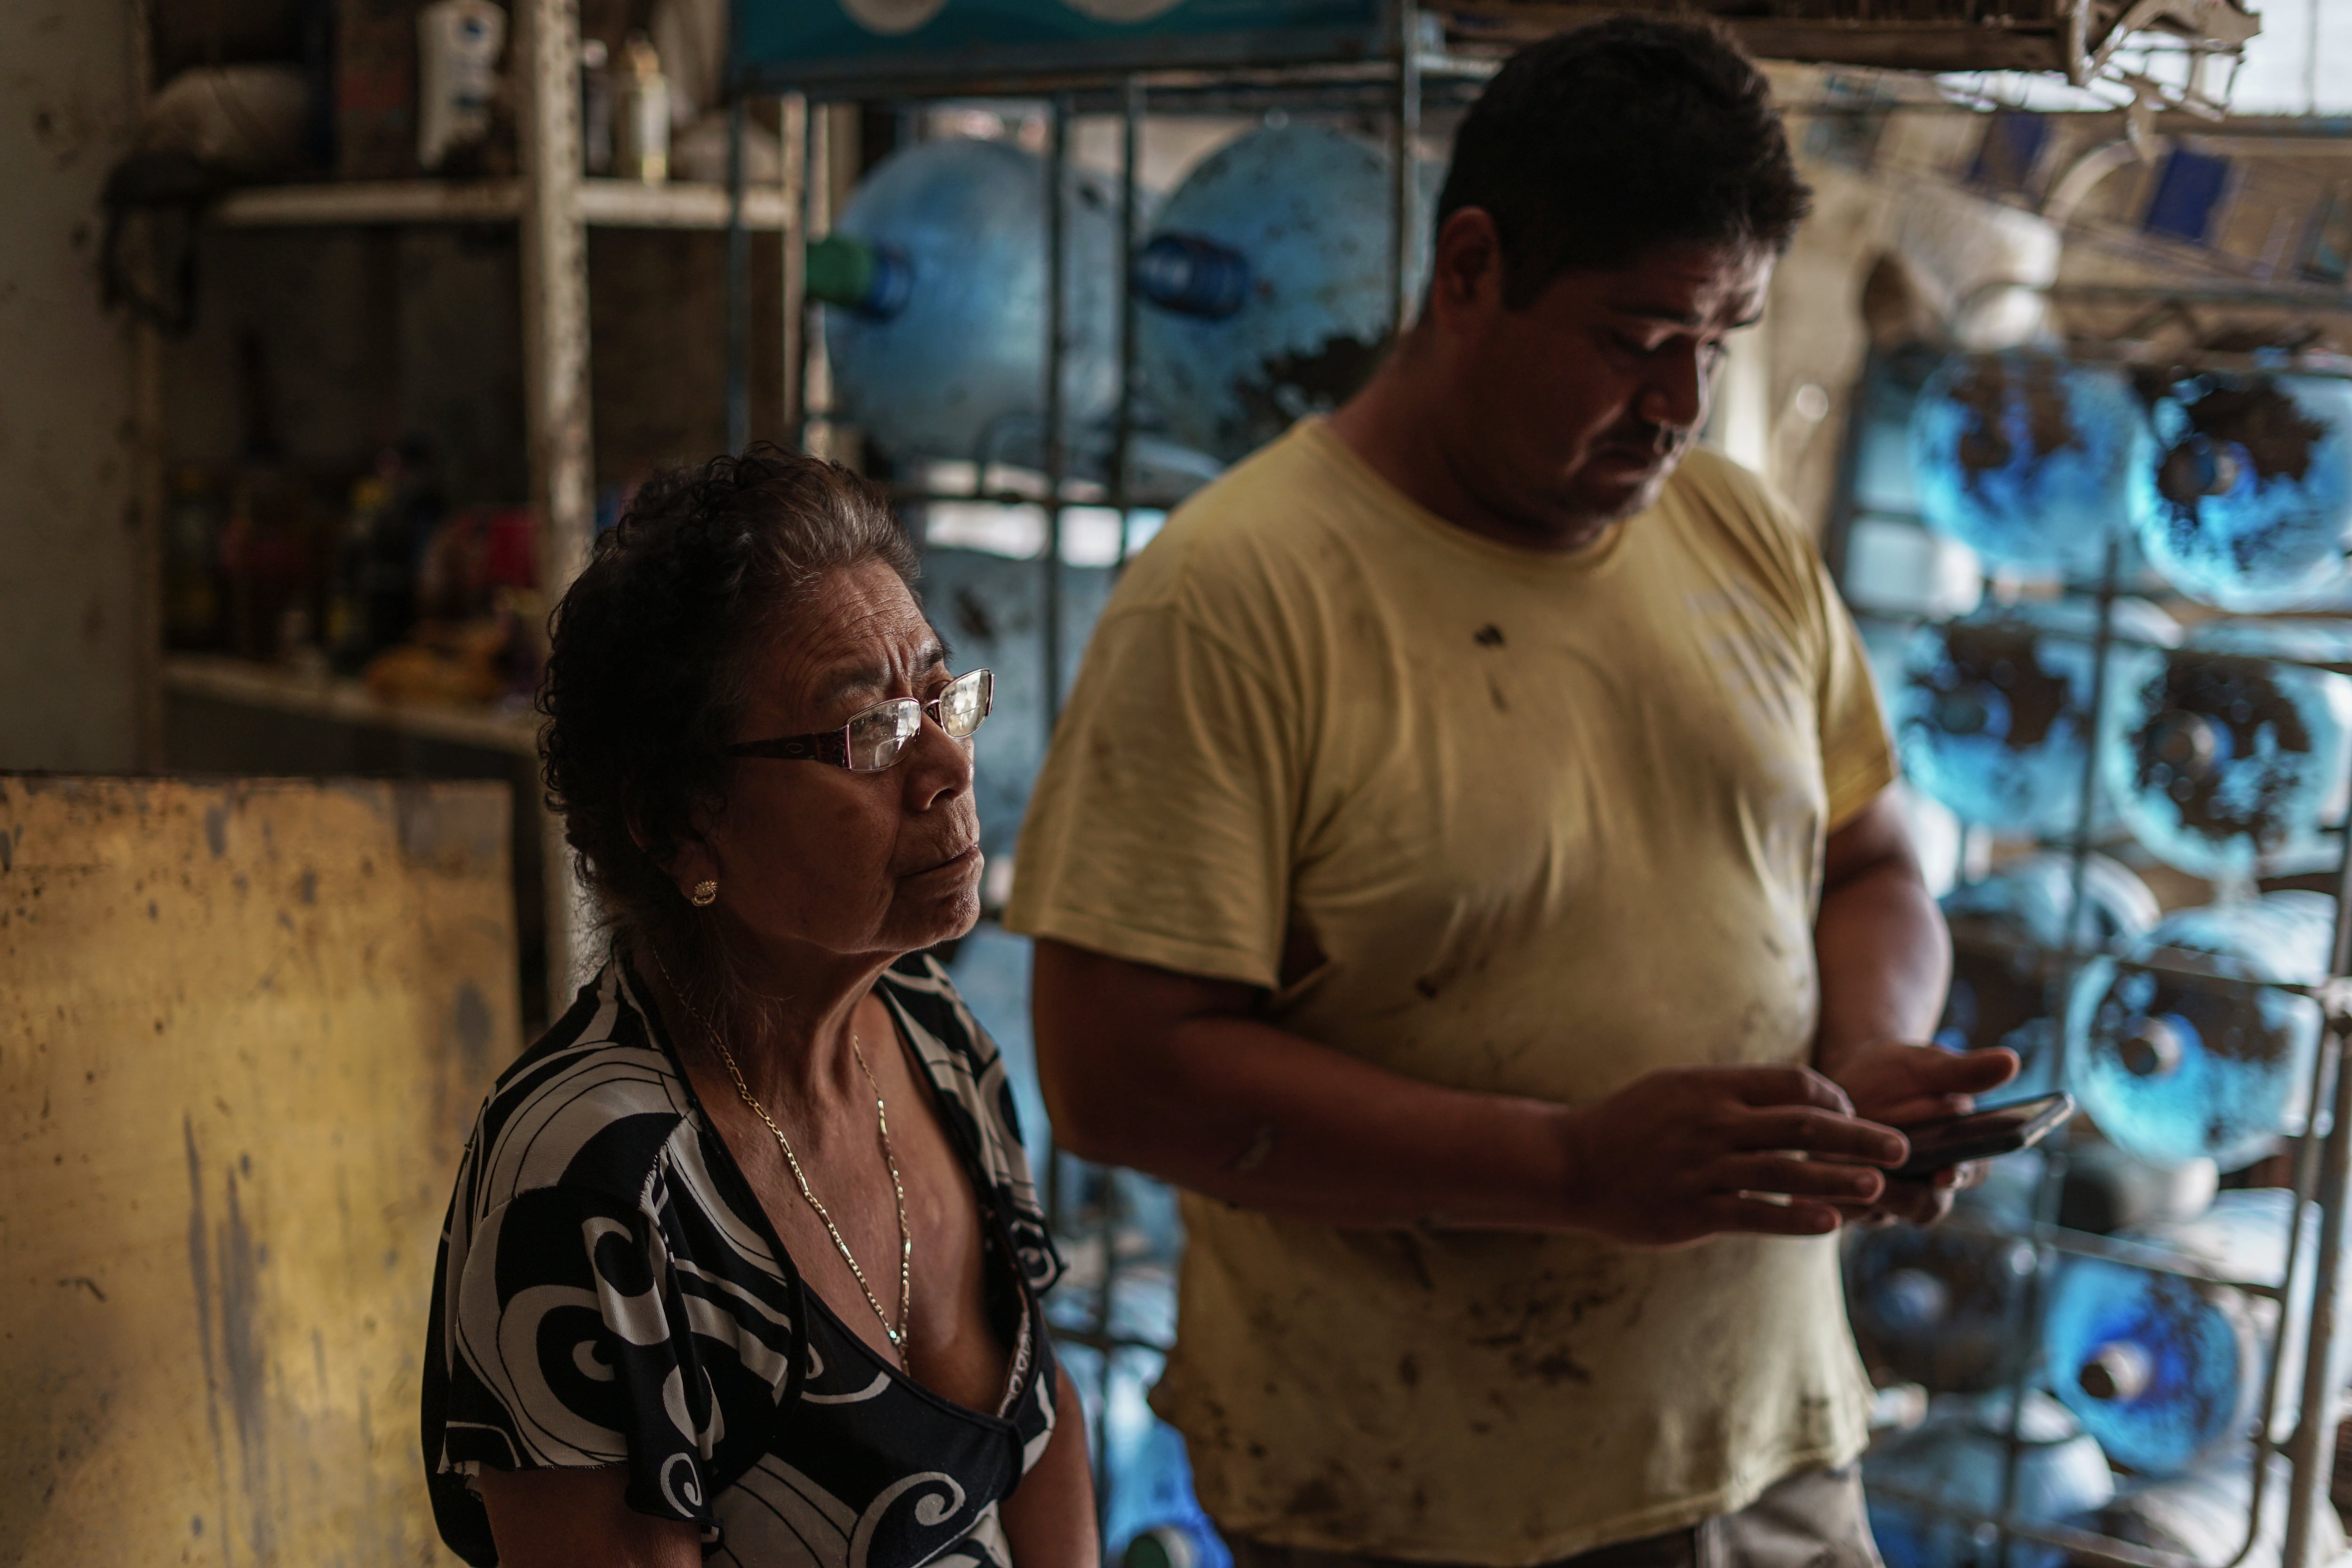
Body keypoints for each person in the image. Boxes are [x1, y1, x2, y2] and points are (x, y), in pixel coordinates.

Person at [1009, 18, 2016, 1568]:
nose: (1682, 402)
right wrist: (1569, 1168)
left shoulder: (1740, 536)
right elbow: (1117, 1072)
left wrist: (1867, 1058)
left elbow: (1870, 863)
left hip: (1770, 1452)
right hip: (1417, 1506)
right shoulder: (1234, 599)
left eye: (1722, 340)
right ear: (1470, 269)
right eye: (1637, 336)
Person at [421, 449, 1097, 1568]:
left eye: (941, 695)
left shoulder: (935, 1034)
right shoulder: (592, 1184)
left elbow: (1044, 1417)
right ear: (682, 824)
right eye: (870, 732)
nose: (946, 762)